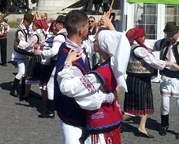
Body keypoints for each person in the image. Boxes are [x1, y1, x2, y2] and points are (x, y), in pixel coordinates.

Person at [54, 10, 114, 144]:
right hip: (73, 116)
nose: (89, 29)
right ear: (81, 30)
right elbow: (84, 94)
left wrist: (104, 27)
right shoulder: (71, 61)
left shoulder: (71, 46)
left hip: (74, 113)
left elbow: (92, 46)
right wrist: (109, 97)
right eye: (88, 27)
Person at [61, 29, 130, 144]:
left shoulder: (99, 74)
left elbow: (67, 88)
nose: (93, 42)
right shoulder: (112, 65)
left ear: (104, 46)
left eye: (96, 41)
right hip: (112, 118)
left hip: (101, 123)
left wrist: (67, 63)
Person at [123, 27, 179, 138]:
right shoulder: (139, 49)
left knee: (146, 104)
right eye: (143, 36)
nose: (145, 38)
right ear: (139, 37)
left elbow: (153, 48)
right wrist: (171, 63)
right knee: (133, 109)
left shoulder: (133, 46)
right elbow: (154, 62)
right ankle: (114, 123)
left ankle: (142, 128)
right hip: (137, 80)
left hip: (142, 78)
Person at [35, 15, 67, 118]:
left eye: (56, 24)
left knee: (50, 85)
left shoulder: (59, 37)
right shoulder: (67, 34)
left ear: (60, 25)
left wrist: (41, 52)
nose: (54, 26)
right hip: (64, 63)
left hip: (57, 63)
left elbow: (54, 51)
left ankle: (50, 110)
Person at [10, 13, 35, 97]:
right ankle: (13, 89)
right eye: (29, 22)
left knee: (26, 72)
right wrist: (31, 48)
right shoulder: (20, 31)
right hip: (19, 53)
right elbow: (22, 43)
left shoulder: (26, 28)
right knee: (22, 71)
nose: (31, 24)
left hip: (25, 52)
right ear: (25, 21)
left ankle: (24, 90)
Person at [22, 19, 47, 99]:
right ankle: (42, 94)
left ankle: (26, 93)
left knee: (29, 74)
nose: (32, 26)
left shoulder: (34, 36)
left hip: (34, 56)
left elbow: (28, 46)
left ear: (36, 26)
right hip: (42, 56)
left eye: (33, 25)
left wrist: (21, 42)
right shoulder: (43, 33)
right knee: (41, 76)